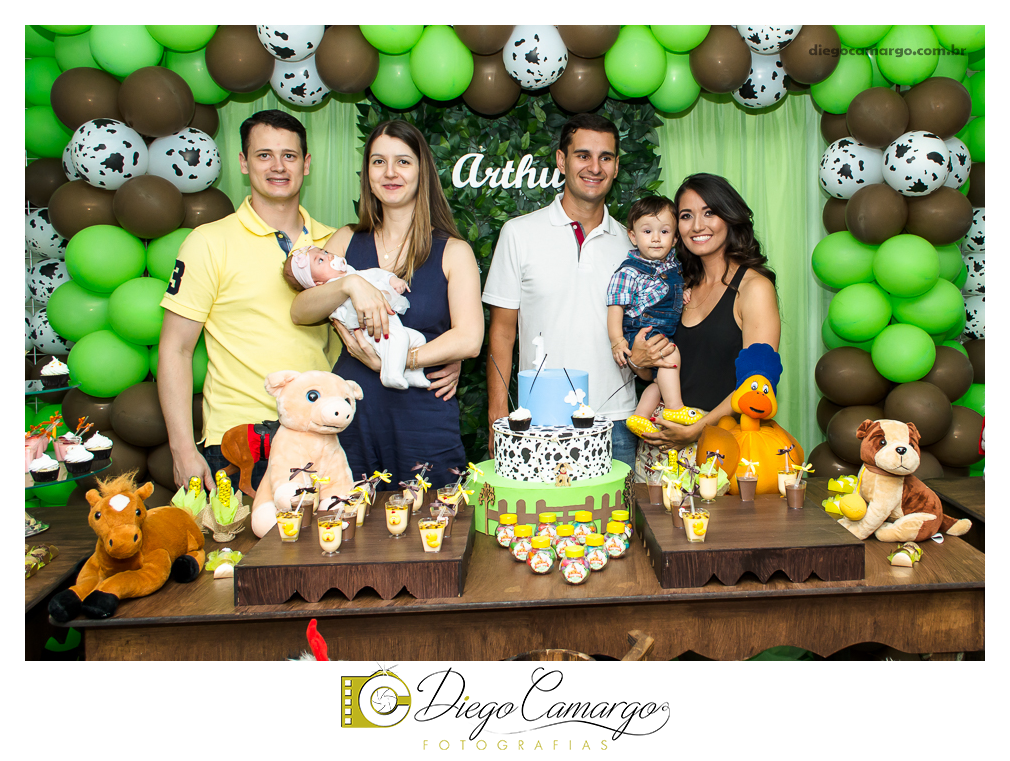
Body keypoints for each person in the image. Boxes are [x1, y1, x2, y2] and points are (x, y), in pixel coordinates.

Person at [158, 109, 393, 492]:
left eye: (289, 155)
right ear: (243, 163)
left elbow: (362, 336)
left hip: (322, 434)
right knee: (241, 552)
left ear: (307, 164)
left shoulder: (334, 245)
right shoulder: (208, 242)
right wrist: (182, 449)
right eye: (264, 155)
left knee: (328, 550)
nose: (278, 166)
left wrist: (432, 364)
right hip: (240, 440)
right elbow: (176, 349)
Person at [290, 119, 483, 488]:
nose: (390, 172)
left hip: (423, 416)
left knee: (434, 531)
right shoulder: (346, 241)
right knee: (347, 532)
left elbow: (469, 339)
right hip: (351, 414)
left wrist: (397, 360)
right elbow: (300, 311)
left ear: (422, 170)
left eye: (403, 162)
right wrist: (351, 283)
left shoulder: (453, 251)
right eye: (378, 162)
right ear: (367, 174)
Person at [482, 113, 678, 468]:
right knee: (536, 522)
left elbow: (646, 335)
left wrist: (644, 361)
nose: (595, 167)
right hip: (537, 419)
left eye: (606, 157)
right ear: (561, 160)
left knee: (614, 524)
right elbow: (501, 331)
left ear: (617, 167)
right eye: (583, 155)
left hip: (615, 421)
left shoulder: (635, 247)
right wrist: (499, 415)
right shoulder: (518, 233)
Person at [638, 173, 781, 464]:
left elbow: (757, 385)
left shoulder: (754, 289)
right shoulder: (677, 286)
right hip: (659, 445)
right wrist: (639, 360)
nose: (698, 226)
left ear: (730, 217)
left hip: (719, 448)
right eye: (687, 215)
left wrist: (694, 431)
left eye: (710, 213)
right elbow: (653, 370)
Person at [606, 195, 700, 428]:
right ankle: (675, 408)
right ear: (632, 236)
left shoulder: (672, 266)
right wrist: (617, 341)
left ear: (676, 237)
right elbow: (615, 305)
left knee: (662, 382)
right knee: (670, 356)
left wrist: (683, 293)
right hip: (640, 332)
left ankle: (639, 417)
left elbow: (671, 290)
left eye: (665, 232)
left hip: (660, 332)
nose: (656, 239)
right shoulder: (628, 271)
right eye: (647, 231)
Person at [283, 245, 430, 390]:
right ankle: (390, 375)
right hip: (370, 333)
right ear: (318, 283)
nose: (329, 256)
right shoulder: (332, 293)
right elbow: (346, 315)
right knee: (400, 339)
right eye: (320, 260)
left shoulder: (353, 273)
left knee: (418, 339)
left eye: (325, 252)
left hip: (390, 326)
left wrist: (392, 280)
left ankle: (413, 374)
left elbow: (376, 274)